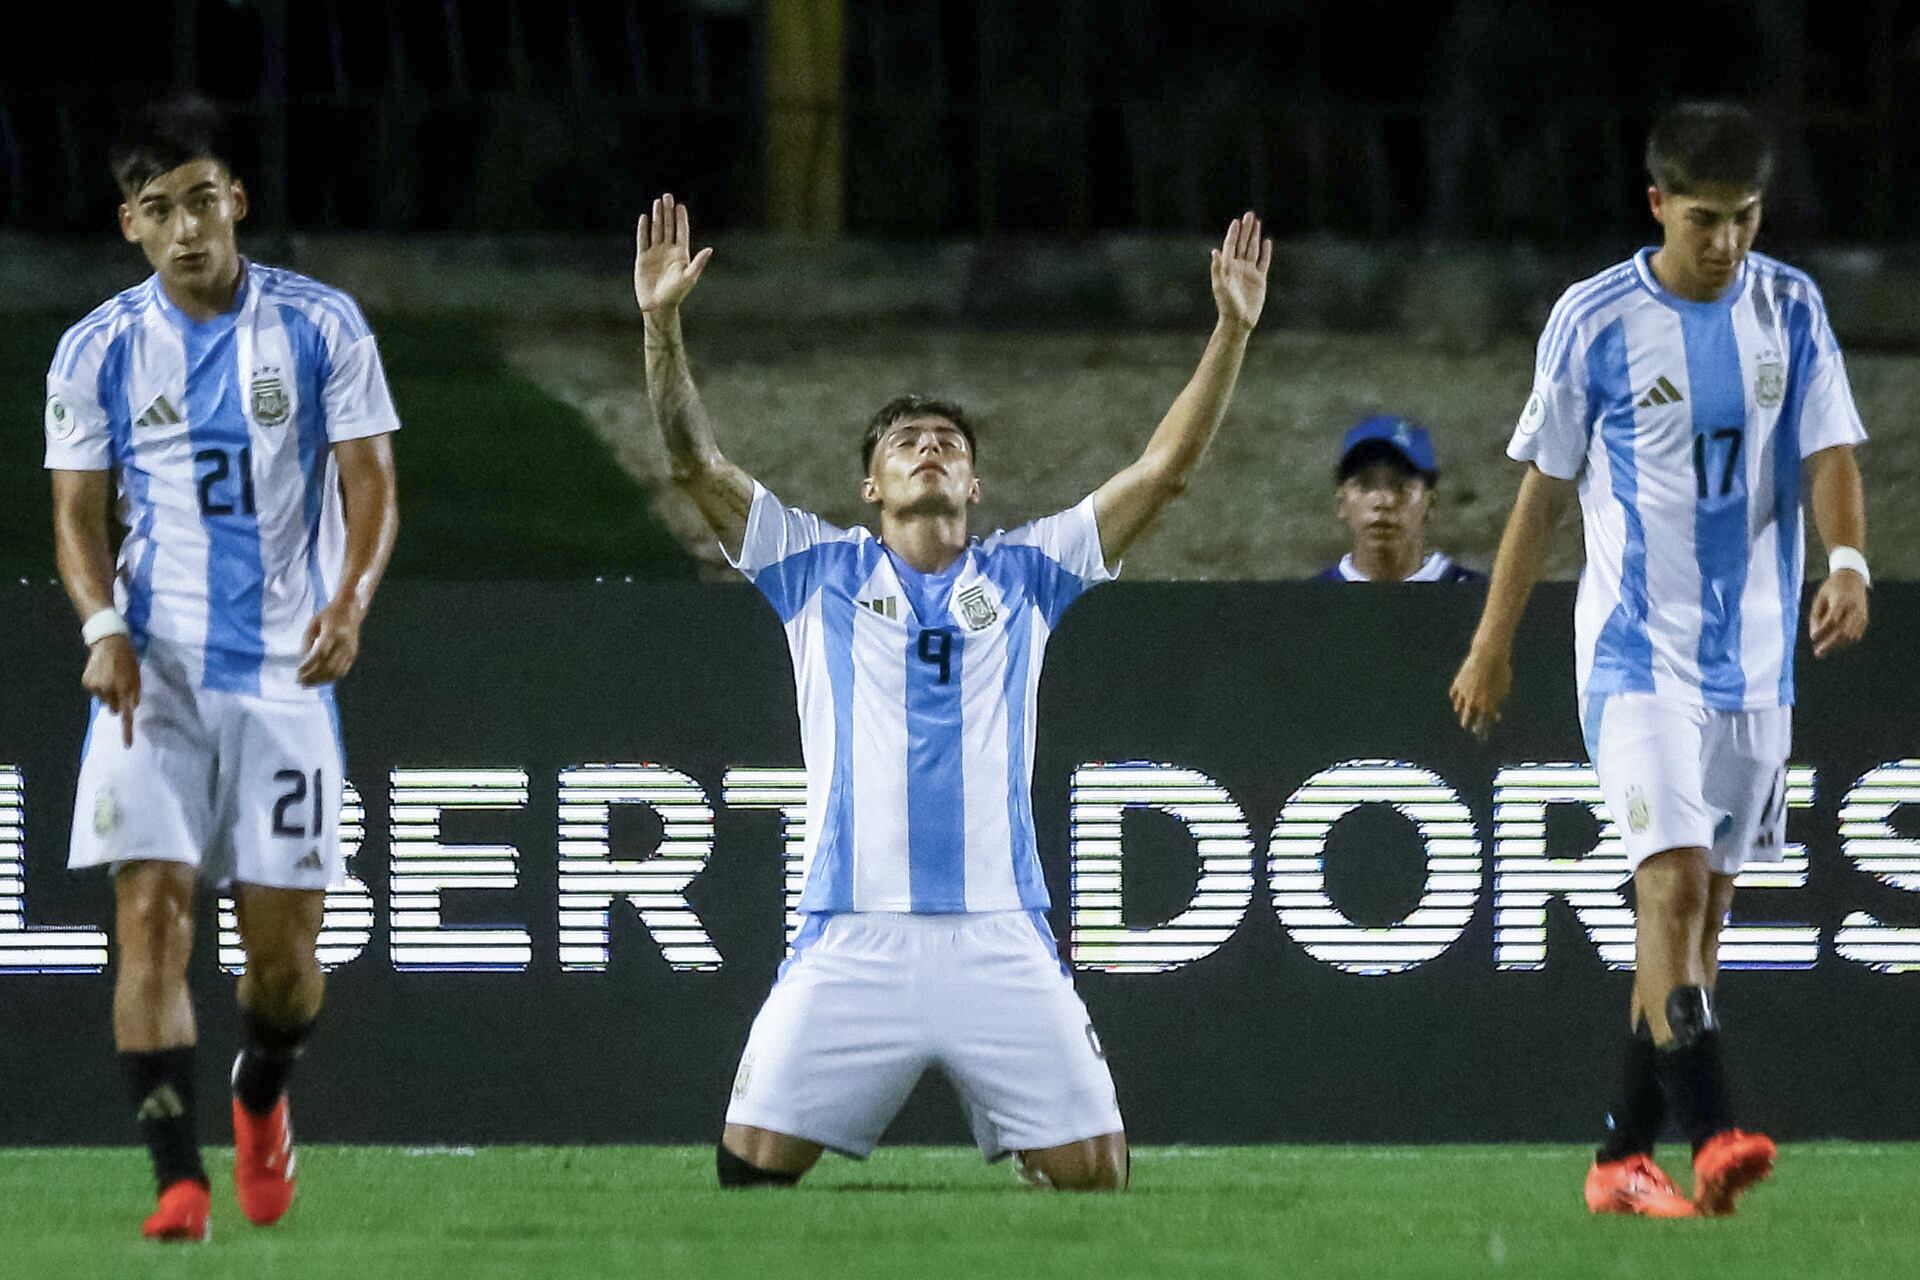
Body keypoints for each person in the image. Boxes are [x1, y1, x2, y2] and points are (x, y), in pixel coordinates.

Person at [631, 192, 1269, 1189]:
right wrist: (660, 322)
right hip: (851, 929)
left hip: (1000, 932)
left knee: (1095, 1175)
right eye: (904, 442)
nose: (930, 447)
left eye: (949, 443)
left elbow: (1167, 467)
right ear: (871, 489)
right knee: (748, 1178)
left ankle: (1020, 1124)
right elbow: (691, 460)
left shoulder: (1027, 574)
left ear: (973, 486)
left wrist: (1231, 330)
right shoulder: (815, 570)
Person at [1449, 101, 1869, 1218]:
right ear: (1656, 206)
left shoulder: (1791, 307)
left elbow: (1830, 444)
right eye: (1703, 220)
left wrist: (1850, 562)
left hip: (1757, 663)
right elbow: (1541, 491)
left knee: (1704, 918)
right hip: (1637, 654)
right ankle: (1717, 1121)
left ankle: (1619, 1154)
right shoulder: (1594, 319)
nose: (1726, 242)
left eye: (1742, 218)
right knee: (1669, 885)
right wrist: (1493, 641)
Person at [44, 93, 401, 1241]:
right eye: (161, 210)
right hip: (157, 674)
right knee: (149, 909)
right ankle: (176, 1181)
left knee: (285, 968)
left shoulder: (321, 325)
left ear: (235, 200)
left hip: (287, 674)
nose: (189, 226)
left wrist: (348, 601)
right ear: (131, 226)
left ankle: (259, 1092)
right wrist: (103, 630)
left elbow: (372, 485)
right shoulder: (97, 349)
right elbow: (76, 514)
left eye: (204, 200)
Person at [1314, 414, 1484, 582]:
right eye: (1365, 485)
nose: (1383, 501)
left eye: (1401, 486)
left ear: (1430, 503)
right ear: (1341, 502)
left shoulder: (1485, 599)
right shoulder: (1308, 603)